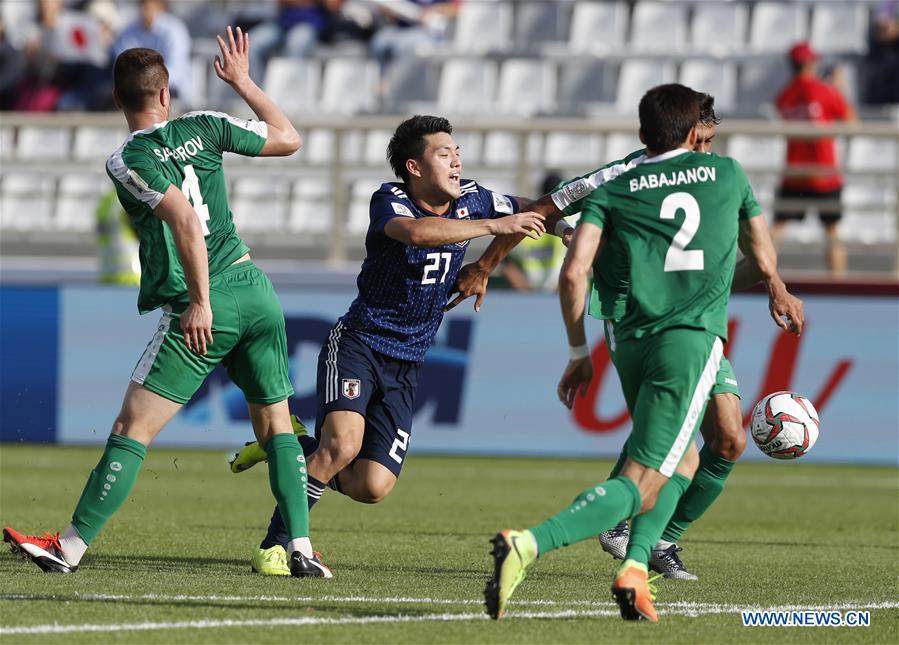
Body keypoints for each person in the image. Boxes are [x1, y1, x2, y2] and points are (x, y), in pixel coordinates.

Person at [2, 28, 329, 578]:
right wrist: (244, 82)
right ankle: (300, 548)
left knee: (132, 430)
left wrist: (199, 301)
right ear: (166, 92)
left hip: (209, 301)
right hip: (256, 290)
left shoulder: (127, 158)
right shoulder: (205, 124)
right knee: (276, 426)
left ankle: (69, 547)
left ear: (115, 98)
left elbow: (183, 220)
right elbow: (288, 137)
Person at [451, 95, 804, 582]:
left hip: (698, 323)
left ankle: (660, 540)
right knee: (677, 457)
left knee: (728, 440)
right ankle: (605, 544)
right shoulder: (620, 180)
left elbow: (741, 260)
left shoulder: (717, 178)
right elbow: (540, 211)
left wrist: (775, 286)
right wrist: (487, 264)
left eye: (710, 142)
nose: (702, 151)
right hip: (636, 319)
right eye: (697, 140)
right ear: (678, 135)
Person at [228, 115, 544, 575]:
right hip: (359, 343)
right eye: (444, 153)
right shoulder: (390, 198)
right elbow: (416, 233)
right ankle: (278, 546)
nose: (456, 160)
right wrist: (494, 227)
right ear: (414, 167)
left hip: (409, 362)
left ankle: (291, 447)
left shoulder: (475, 199)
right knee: (340, 448)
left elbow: (537, 211)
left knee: (370, 486)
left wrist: (564, 234)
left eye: (457, 152)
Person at [773, 42, 855, 277]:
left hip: (794, 174)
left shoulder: (784, 95)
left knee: (776, 230)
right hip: (824, 175)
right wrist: (838, 86)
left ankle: (761, 276)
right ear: (810, 63)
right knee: (832, 231)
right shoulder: (824, 90)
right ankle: (838, 283)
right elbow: (850, 120)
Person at [113, 0, 192, 106]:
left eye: (149, 3)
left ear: (160, 5)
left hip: (170, 93)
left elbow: (176, 73)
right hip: (137, 91)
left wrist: (143, 79)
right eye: (143, 3)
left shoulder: (174, 30)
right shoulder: (129, 30)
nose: (145, 7)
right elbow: (121, 63)